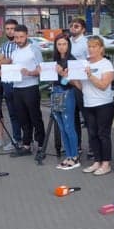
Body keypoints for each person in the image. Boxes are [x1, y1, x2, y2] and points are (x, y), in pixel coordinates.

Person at [2, 24, 44, 156]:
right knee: (22, 118)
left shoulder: (33, 49)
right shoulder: (14, 52)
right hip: (17, 88)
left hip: (30, 87)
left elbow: (41, 68)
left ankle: (41, 144)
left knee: (35, 117)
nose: (18, 40)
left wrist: (30, 73)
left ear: (27, 36)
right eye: (16, 37)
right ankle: (26, 145)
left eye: (21, 37)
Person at [80, 36, 114, 175]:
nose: (91, 49)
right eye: (89, 46)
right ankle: (97, 161)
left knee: (103, 134)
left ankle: (106, 163)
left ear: (101, 48)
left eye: (94, 46)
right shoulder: (85, 64)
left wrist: (90, 76)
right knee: (92, 134)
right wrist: (69, 77)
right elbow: (81, 86)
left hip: (104, 104)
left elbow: (103, 85)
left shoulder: (106, 64)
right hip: (88, 103)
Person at [50, 35, 81, 170]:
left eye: (64, 44)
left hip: (67, 93)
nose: (61, 47)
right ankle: (68, 155)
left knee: (69, 126)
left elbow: (76, 82)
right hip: (55, 92)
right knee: (62, 127)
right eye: (59, 44)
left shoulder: (72, 61)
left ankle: (74, 156)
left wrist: (63, 73)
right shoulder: (55, 59)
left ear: (68, 45)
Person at [0, 19, 22, 150]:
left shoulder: (22, 44)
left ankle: (30, 141)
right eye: (7, 29)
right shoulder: (5, 45)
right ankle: (17, 139)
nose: (10, 31)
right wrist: (8, 61)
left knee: (24, 113)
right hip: (7, 82)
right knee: (12, 113)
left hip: (21, 83)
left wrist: (6, 61)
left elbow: (19, 62)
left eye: (12, 28)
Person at [68, 17, 89, 157]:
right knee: (73, 116)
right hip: (68, 83)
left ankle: (93, 147)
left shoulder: (86, 43)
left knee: (87, 116)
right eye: (71, 26)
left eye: (76, 26)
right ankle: (77, 145)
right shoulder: (67, 41)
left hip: (82, 84)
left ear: (83, 29)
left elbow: (89, 63)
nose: (73, 28)